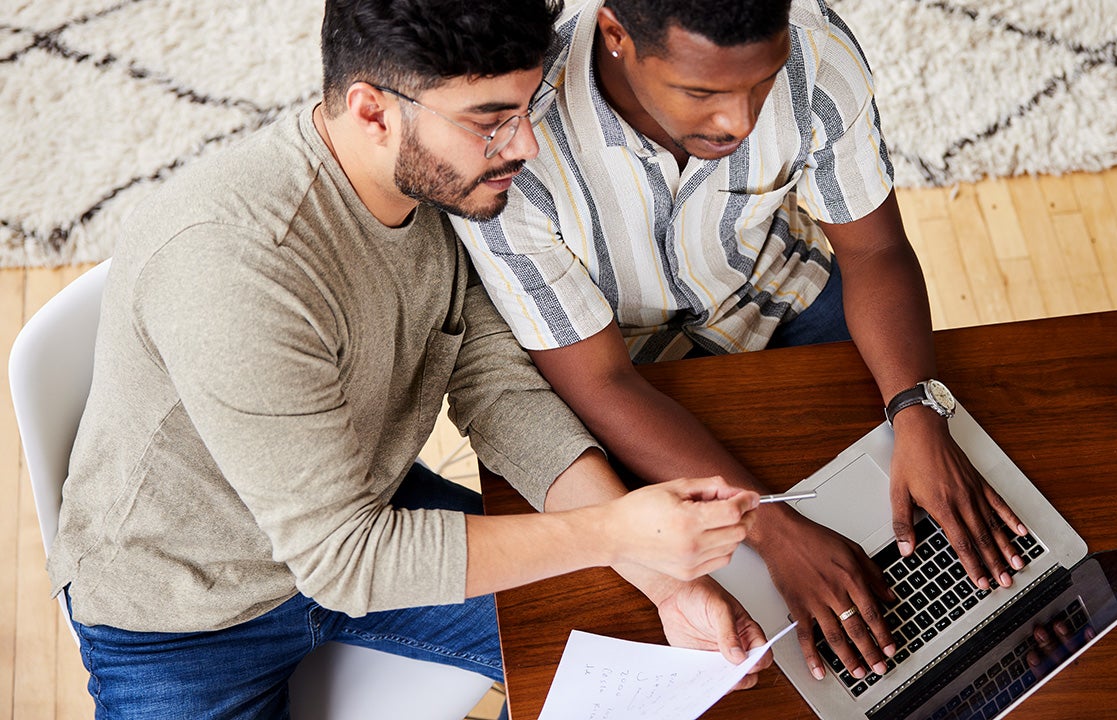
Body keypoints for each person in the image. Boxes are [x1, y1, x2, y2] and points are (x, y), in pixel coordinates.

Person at [45, 1, 769, 716]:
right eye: (490, 122)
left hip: (368, 510)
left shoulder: (448, 182)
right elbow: (347, 562)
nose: (526, 148)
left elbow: (498, 389)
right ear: (372, 113)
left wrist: (665, 581)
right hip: (185, 616)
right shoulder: (237, 267)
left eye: (524, 111)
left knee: (664, 657)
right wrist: (616, 533)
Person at [450, 0, 1031, 683]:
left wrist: (915, 406)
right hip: (622, 359)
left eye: (761, 82)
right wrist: (772, 527)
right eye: (702, 92)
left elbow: (875, 250)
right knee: (693, 603)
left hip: (782, 286)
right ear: (616, 35)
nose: (741, 121)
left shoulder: (814, 53)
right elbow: (601, 382)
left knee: (961, 491)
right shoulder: (511, 149)